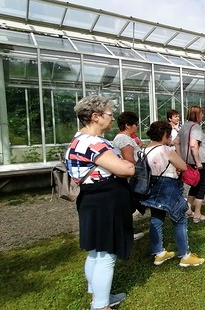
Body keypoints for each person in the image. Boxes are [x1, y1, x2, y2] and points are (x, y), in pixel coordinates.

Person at [65, 95, 135, 310]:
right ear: (95, 117)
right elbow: (127, 169)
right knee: (106, 254)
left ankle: (99, 296)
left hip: (92, 200)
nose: (112, 119)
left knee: (95, 252)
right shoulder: (92, 143)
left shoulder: (78, 141)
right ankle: (101, 306)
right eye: (109, 115)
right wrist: (126, 165)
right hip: (106, 203)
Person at [140, 121, 205, 267]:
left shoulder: (144, 150)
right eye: (169, 134)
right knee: (180, 219)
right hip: (169, 187)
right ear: (164, 134)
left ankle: (159, 253)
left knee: (156, 219)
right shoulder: (166, 150)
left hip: (153, 188)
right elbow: (182, 166)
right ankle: (185, 255)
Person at [112, 111, 146, 240]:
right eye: (135, 124)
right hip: (129, 179)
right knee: (128, 206)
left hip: (127, 179)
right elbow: (129, 160)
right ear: (127, 125)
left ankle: (124, 233)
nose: (137, 127)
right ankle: (125, 235)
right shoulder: (123, 139)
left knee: (128, 206)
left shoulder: (124, 138)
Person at [175, 105, 205, 223]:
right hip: (199, 162)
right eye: (202, 113)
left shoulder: (184, 126)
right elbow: (193, 145)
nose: (203, 116)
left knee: (194, 185)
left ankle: (188, 209)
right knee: (201, 187)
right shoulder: (195, 127)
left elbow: (176, 142)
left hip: (188, 162)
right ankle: (197, 215)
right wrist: (198, 162)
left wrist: (181, 158)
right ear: (197, 115)